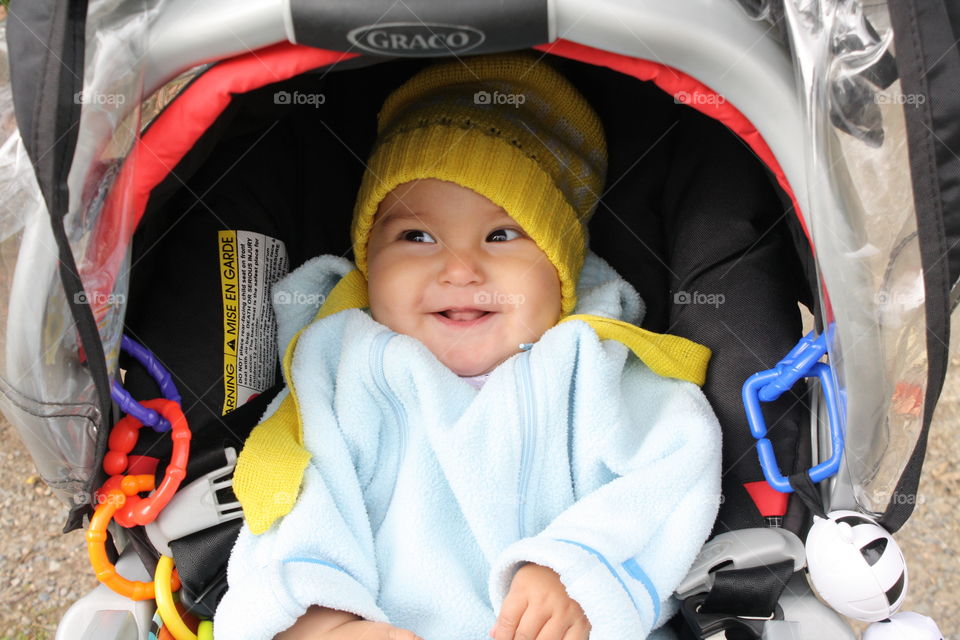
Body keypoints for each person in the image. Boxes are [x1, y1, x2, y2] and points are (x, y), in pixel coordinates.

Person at [213, 52, 722, 640]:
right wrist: (319, 619)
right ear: (369, 264)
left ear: (560, 274)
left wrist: (577, 568)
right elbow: (291, 492)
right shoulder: (339, 365)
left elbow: (675, 467)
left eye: (501, 235)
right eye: (417, 235)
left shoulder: (593, 363)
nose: (459, 270)